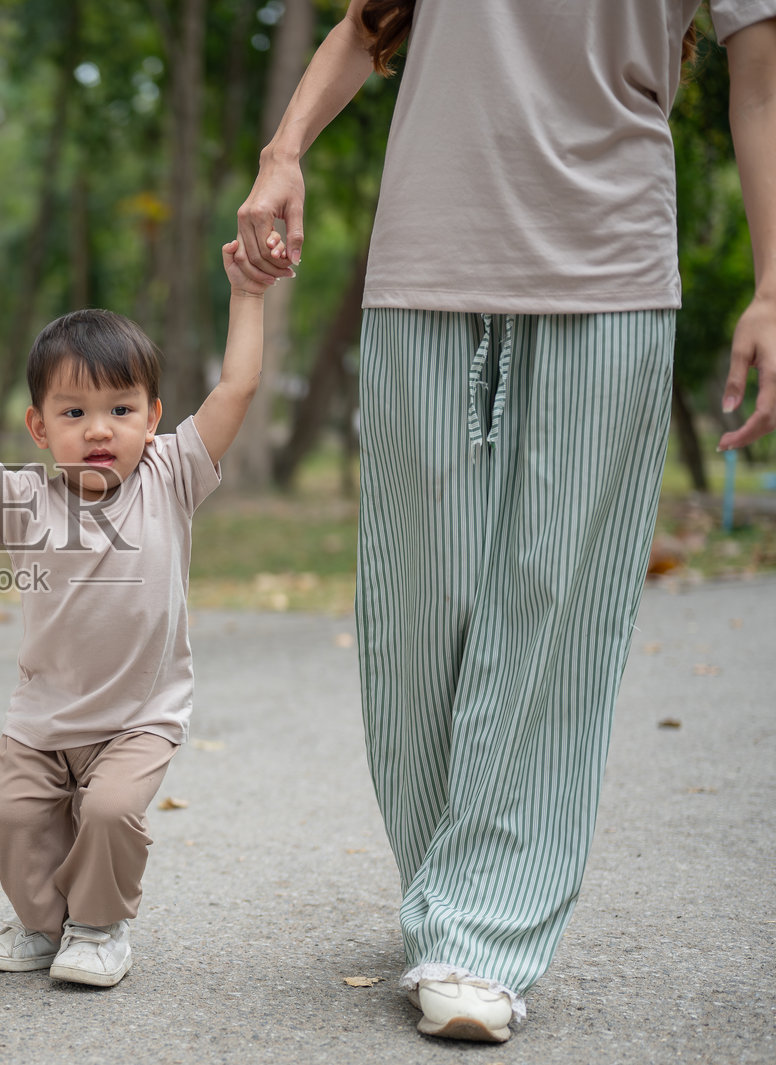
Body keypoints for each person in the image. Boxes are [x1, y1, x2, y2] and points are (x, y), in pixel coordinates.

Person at [232, 0, 776, 1044]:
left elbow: (759, 87)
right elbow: (366, 23)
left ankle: (482, 930)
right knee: (415, 607)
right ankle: (447, 886)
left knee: (550, 606)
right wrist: (282, 152)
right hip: (425, 262)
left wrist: (772, 283)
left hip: (610, 271)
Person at [0, 235, 289, 987]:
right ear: (40, 428)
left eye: (121, 409)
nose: (100, 429)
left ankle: (98, 926)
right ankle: (42, 924)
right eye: (74, 411)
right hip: (43, 717)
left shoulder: (170, 473)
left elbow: (236, 387)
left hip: (139, 717)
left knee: (108, 812)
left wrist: (248, 294)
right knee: (10, 814)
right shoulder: (23, 499)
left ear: (153, 417)